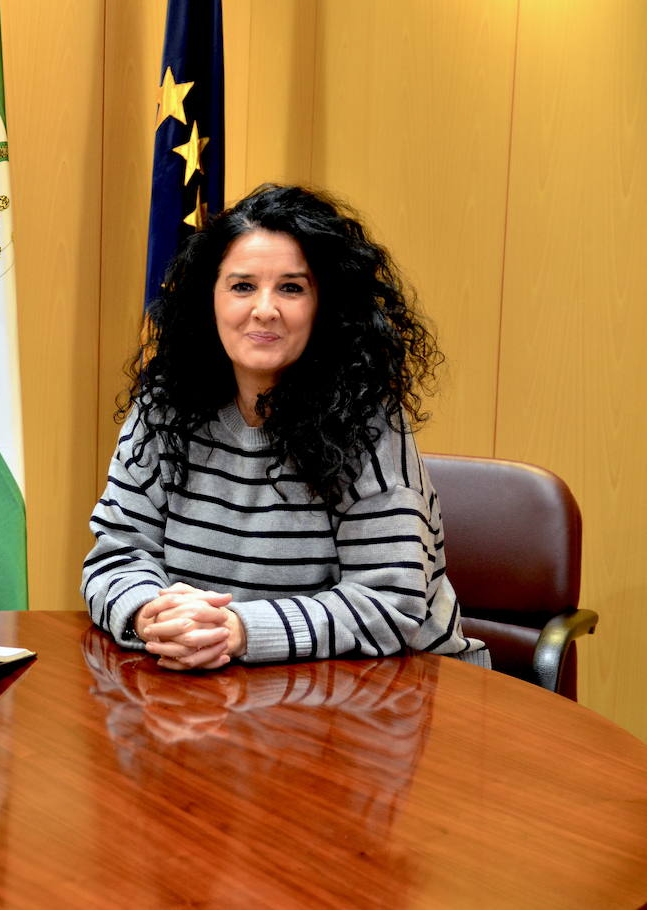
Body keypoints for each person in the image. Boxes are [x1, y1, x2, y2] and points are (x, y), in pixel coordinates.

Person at [82, 184, 487, 671]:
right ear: (207, 299)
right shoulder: (164, 407)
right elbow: (118, 552)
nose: (265, 309)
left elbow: (389, 603)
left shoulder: (368, 422)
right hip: (223, 689)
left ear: (325, 305)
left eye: (291, 288)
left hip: (400, 695)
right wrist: (152, 613)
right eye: (242, 286)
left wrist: (239, 631)